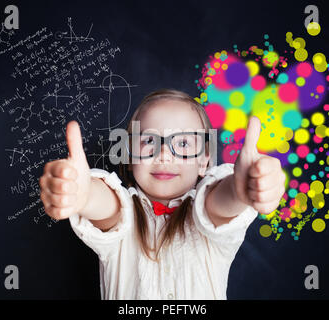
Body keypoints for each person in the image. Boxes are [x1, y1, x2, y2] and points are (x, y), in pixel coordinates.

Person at [39, 89, 285, 299]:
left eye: (183, 144)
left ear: (204, 161)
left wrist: (238, 191)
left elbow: (218, 204)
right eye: (149, 141)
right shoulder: (121, 214)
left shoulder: (209, 210)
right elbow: (108, 208)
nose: (164, 154)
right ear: (129, 155)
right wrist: (85, 196)